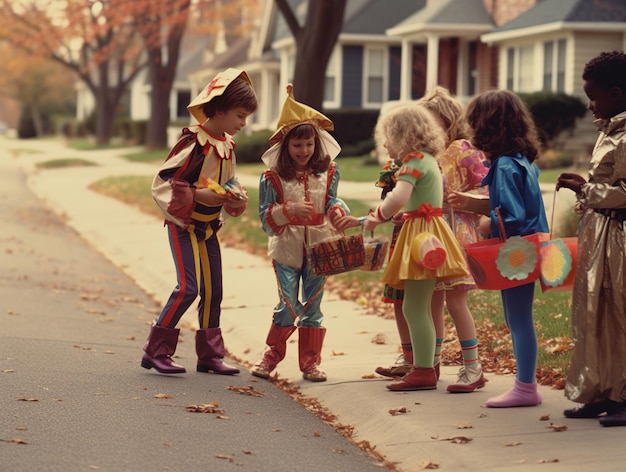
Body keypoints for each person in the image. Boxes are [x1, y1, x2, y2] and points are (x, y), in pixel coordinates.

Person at [142, 68, 258, 375]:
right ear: (219, 110)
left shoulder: (226, 146)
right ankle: (155, 350)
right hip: (184, 228)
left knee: (213, 290)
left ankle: (209, 356)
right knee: (188, 288)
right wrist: (197, 195)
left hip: (208, 230)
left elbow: (228, 182)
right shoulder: (194, 142)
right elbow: (163, 182)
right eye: (240, 115)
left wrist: (235, 198)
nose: (244, 124)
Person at [348, 104, 471, 391]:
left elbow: (397, 198)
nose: (385, 143)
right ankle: (425, 366)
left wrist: (374, 218)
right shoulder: (429, 159)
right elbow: (420, 199)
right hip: (428, 231)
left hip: (420, 237)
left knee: (415, 307)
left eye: (389, 136)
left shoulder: (414, 162)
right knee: (419, 305)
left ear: (404, 136)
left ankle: (424, 370)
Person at [449, 89, 549, 407]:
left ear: (487, 126)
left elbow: (511, 216)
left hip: (516, 252)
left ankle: (525, 387)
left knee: (518, 319)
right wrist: (477, 204)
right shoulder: (522, 161)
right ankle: (525, 385)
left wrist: (486, 223)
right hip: (531, 247)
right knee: (517, 318)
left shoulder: (505, 166)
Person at [250, 84, 350, 383]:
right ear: (285, 147)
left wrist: (337, 211)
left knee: (314, 305)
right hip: (287, 249)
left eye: (308, 144)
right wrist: (288, 211)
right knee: (288, 304)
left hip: (321, 246)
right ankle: (272, 354)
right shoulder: (272, 178)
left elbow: (332, 200)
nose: (304, 151)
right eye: (297, 146)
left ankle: (310, 362)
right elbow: (265, 219)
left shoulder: (329, 171)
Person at [557, 50, 626, 426]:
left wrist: (588, 190)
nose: (589, 103)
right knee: (593, 314)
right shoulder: (609, 132)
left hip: (619, 236)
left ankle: (624, 396)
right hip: (599, 235)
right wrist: (584, 191)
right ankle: (599, 389)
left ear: (616, 94)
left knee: (619, 316)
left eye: (594, 96)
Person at [419, 86, 488, 393]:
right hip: (431, 236)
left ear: (449, 120)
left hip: (458, 233)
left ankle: (473, 367)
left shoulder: (464, 150)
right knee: (431, 299)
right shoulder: (426, 154)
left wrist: (464, 198)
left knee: (456, 300)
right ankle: (429, 364)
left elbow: (487, 190)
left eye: (433, 121)